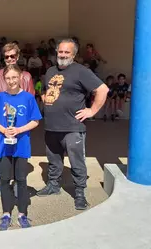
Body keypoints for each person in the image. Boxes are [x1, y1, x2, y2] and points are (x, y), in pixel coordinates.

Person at [37, 38, 108, 210]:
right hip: (51, 126)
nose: (62, 55)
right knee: (53, 159)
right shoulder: (50, 71)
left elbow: (103, 89)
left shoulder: (81, 71)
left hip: (72, 127)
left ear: (74, 54)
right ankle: (54, 186)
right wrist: (45, 99)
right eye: (60, 51)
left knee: (77, 162)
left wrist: (91, 111)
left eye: (66, 52)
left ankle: (80, 193)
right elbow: (47, 90)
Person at [0, 64, 41, 230]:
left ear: (20, 78)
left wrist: (19, 129)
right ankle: (6, 213)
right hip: (4, 146)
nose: (11, 81)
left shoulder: (28, 98)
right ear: (4, 80)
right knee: (4, 180)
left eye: (14, 77)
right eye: (8, 78)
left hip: (21, 145)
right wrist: (4, 130)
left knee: (21, 179)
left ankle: (22, 214)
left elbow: (35, 121)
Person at [0, 42, 35, 197]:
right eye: (7, 56)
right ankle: (0, 183)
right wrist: (1, 114)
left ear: (18, 56)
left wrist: (22, 122)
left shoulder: (26, 76)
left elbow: (30, 100)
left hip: (20, 124)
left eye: (12, 56)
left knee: (19, 153)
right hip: (2, 125)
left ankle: (16, 183)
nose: (9, 59)